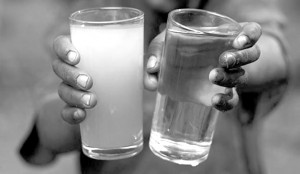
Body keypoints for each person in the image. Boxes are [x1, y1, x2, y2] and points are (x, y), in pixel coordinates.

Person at [20, 0, 289, 173]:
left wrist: (228, 58)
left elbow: (275, 51)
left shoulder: (229, 6)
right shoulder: (95, 11)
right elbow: (47, 133)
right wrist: (78, 104)